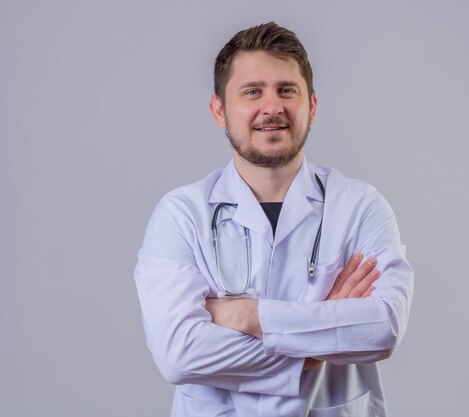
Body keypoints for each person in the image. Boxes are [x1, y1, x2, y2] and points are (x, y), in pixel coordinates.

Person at [134, 22, 413, 417]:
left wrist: (247, 315)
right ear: (220, 110)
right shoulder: (180, 215)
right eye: (252, 92)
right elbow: (178, 355)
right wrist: (315, 346)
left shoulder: (360, 206)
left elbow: (382, 328)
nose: (272, 107)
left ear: (311, 105)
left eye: (287, 90)